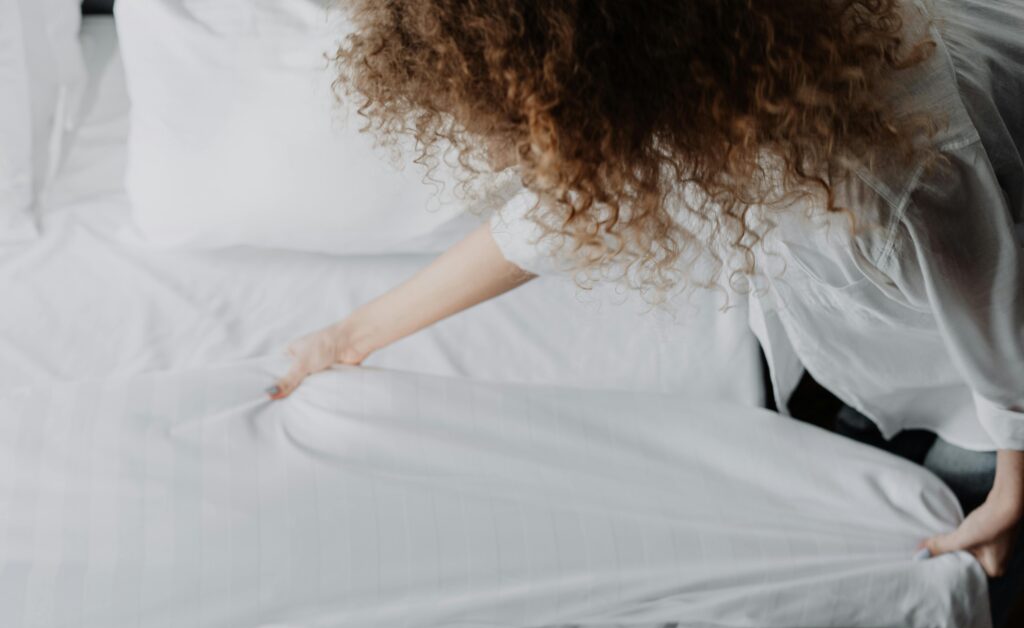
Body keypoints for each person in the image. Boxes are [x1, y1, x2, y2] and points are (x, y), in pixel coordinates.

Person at [267, 0, 1023, 597]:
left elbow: (1009, 355)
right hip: (893, 337)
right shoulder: (695, 82)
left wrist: (1007, 500)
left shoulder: (898, 177)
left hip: (983, 390)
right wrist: (350, 335)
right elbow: (547, 221)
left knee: (957, 549)